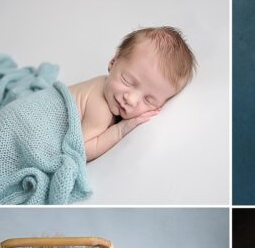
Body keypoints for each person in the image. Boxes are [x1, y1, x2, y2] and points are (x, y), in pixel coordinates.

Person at [69, 26, 197, 162]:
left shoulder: (104, 84)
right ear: (113, 62)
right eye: (127, 81)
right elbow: (78, 149)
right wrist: (119, 131)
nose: (131, 100)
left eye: (149, 100)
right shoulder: (100, 109)